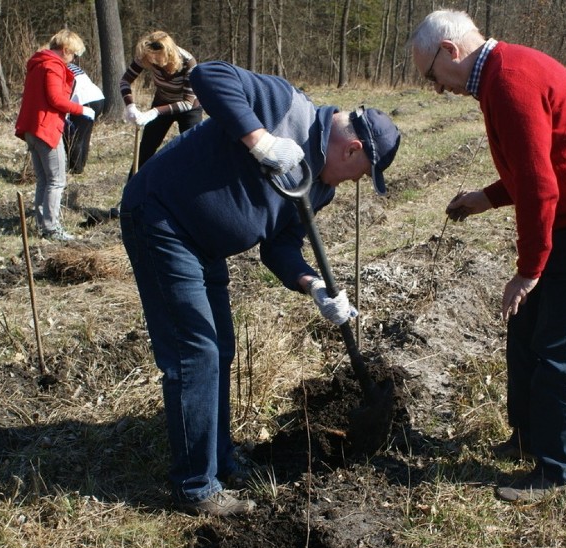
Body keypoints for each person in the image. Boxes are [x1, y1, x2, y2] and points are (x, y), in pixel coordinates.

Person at [120, 60, 400, 516]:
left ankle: (221, 459)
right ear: (351, 150)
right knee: (197, 352)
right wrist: (261, 140)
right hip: (161, 219)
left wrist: (313, 286)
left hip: (204, 244)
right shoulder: (285, 106)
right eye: (363, 173)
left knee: (221, 348)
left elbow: (280, 246)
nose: (356, 183)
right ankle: (195, 488)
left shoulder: (320, 186)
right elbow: (209, 76)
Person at [410, 10, 566, 502]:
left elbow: (541, 187)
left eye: (431, 76)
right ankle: (527, 439)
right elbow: (536, 164)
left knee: (559, 347)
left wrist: (528, 270)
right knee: (524, 328)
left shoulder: (510, 82)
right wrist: (485, 198)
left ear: (449, 52)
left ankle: (560, 467)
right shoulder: (501, 74)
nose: (436, 88)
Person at [14, 30, 95, 241]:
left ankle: (43, 224)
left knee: (44, 179)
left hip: (32, 127)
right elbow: (55, 99)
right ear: (65, 50)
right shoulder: (53, 66)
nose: (74, 59)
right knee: (57, 180)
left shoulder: (38, 63)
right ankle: (52, 228)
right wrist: (81, 110)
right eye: (74, 54)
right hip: (45, 128)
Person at [120, 31, 203, 175]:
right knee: (145, 149)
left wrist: (154, 112)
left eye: (157, 59)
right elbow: (124, 81)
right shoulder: (147, 53)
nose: (153, 63)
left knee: (193, 151)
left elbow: (188, 103)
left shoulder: (188, 62)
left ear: (168, 54)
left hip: (189, 109)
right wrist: (130, 106)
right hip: (162, 100)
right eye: (151, 60)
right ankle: (132, 192)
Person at [63, 61, 105, 175]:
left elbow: (72, 84)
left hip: (83, 100)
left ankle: (75, 169)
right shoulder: (73, 66)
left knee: (74, 137)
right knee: (84, 135)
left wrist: (65, 108)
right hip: (98, 98)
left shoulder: (62, 67)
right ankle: (80, 166)